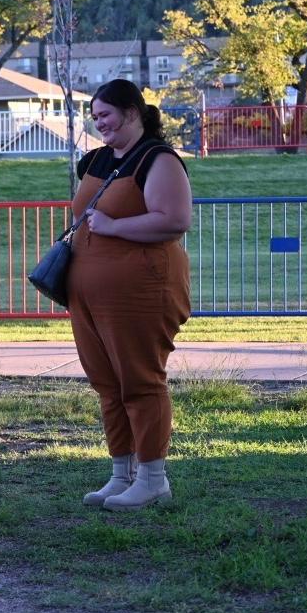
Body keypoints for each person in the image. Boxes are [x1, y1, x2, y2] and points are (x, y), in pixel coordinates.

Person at [67, 79, 192, 511]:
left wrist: (115, 228)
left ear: (132, 112)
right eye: (95, 116)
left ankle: (152, 478)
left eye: (106, 115)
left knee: (139, 381)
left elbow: (174, 220)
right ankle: (121, 474)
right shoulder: (98, 160)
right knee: (107, 384)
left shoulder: (158, 160)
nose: (99, 123)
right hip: (87, 294)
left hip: (143, 291)